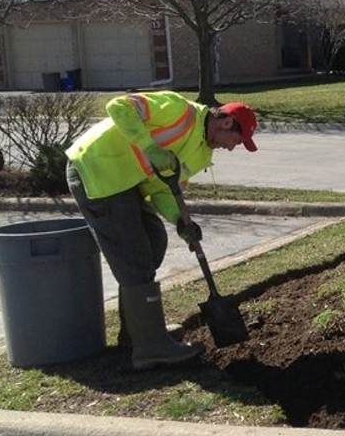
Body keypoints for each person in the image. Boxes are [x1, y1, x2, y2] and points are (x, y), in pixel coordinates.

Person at [65, 91, 259, 370]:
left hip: (127, 184)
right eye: (237, 141)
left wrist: (181, 222)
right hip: (98, 170)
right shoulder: (178, 110)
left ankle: (138, 332)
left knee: (154, 241)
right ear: (226, 123)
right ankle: (149, 348)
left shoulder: (202, 152)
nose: (233, 148)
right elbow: (118, 106)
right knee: (135, 256)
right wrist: (150, 147)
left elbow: (163, 189)